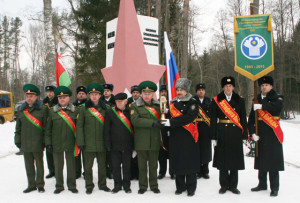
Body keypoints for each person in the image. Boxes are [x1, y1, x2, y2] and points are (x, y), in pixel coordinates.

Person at [210, 76, 248, 195]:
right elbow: (213, 119)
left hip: (235, 133)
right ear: (223, 87)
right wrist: (213, 136)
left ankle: (233, 186)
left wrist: (244, 136)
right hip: (222, 133)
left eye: (230, 86)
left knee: (234, 161)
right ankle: (224, 186)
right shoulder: (216, 100)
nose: (228, 88)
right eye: (226, 86)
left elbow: (243, 119)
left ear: (233, 87)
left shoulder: (240, 100)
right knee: (223, 161)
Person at [162, 78, 199, 197]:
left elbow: (188, 118)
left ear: (186, 91)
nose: (179, 92)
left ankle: (191, 187)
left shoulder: (192, 102)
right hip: (176, 137)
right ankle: (180, 186)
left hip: (188, 136)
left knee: (189, 163)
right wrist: (163, 120)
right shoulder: (172, 103)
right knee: (177, 161)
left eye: (181, 90)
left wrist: (170, 122)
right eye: (177, 90)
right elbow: (167, 117)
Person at [248, 76, 284, 197]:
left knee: (273, 161)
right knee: (261, 159)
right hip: (260, 134)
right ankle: (262, 184)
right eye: (262, 85)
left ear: (271, 86)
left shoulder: (277, 97)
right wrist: (252, 132)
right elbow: (252, 118)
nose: (264, 87)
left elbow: (277, 107)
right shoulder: (256, 98)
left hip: (273, 133)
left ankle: (274, 187)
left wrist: (262, 106)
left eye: (266, 85)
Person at [76, 82, 111, 194]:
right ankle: (89, 185)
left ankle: (102, 184)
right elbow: (79, 126)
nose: (94, 96)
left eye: (96, 94)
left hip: (102, 142)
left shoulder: (106, 108)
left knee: (102, 166)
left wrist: (109, 142)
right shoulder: (83, 109)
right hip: (88, 142)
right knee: (88, 167)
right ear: (89, 96)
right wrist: (80, 141)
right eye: (92, 94)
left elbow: (110, 126)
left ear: (100, 95)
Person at [130, 81, 163, 194]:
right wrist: (152, 122)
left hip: (154, 140)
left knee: (153, 166)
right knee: (142, 166)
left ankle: (154, 185)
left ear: (153, 94)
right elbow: (135, 121)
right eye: (145, 93)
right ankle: (143, 186)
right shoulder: (135, 106)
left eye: (149, 93)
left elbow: (162, 119)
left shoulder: (159, 105)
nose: (147, 96)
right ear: (141, 94)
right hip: (141, 141)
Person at [45, 86, 79, 194]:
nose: (62, 99)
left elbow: (79, 128)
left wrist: (79, 142)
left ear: (69, 98)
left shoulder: (75, 111)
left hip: (70, 142)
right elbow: (48, 130)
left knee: (71, 165)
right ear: (58, 99)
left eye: (64, 97)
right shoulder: (52, 112)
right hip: (57, 143)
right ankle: (59, 186)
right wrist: (48, 143)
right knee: (58, 166)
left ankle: (72, 185)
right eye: (60, 97)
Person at [15, 84, 47, 193]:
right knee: (28, 165)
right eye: (27, 96)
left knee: (39, 165)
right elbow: (18, 128)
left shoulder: (42, 109)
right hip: (26, 142)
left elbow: (46, 128)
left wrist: (45, 142)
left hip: (38, 142)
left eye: (31, 96)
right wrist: (17, 140)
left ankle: (40, 184)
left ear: (36, 97)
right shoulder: (21, 109)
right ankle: (31, 184)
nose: (29, 98)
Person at [104, 93, 134, 194]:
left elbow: (134, 129)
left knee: (127, 167)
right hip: (114, 145)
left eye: (121, 101)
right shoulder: (110, 112)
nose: (119, 103)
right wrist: (107, 144)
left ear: (126, 101)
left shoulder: (131, 112)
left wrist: (134, 144)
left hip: (127, 144)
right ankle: (117, 185)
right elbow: (106, 129)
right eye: (117, 102)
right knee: (116, 167)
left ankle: (127, 186)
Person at [194, 83, 212, 179]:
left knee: (206, 150)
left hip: (206, 128)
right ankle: (197, 170)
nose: (201, 91)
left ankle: (205, 171)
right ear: (196, 91)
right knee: (197, 149)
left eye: (202, 89)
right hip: (195, 128)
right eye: (199, 89)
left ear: (205, 91)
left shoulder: (209, 101)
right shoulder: (192, 101)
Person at [157, 84, 174, 180]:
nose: (164, 93)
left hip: (171, 128)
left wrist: (169, 111)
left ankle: (172, 172)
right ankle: (162, 172)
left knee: (172, 152)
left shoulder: (172, 103)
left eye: (165, 92)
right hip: (161, 130)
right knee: (161, 153)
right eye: (162, 92)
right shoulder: (157, 103)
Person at [43, 85, 58, 179]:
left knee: (56, 153)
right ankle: (51, 171)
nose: (49, 93)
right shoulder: (44, 102)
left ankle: (57, 171)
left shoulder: (58, 101)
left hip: (56, 128)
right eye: (48, 92)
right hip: (46, 129)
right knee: (48, 152)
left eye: (51, 92)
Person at [73, 85, 88, 179]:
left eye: (83, 93)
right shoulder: (73, 105)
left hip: (85, 133)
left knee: (86, 155)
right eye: (79, 93)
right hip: (74, 132)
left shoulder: (89, 105)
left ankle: (86, 172)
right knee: (76, 154)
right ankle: (77, 171)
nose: (81, 95)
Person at [101, 83, 115, 179]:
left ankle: (111, 171)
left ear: (111, 92)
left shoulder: (115, 102)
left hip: (112, 130)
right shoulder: (99, 101)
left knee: (111, 153)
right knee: (103, 153)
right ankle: (104, 171)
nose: (105, 92)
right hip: (101, 128)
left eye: (107, 91)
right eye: (104, 91)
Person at [127, 85, 140, 180]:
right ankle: (131, 174)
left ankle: (138, 174)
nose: (135, 94)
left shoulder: (142, 102)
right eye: (134, 92)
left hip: (139, 130)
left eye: (137, 92)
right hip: (129, 130)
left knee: (139, 154)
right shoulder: (127, 102)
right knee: (130, 154)